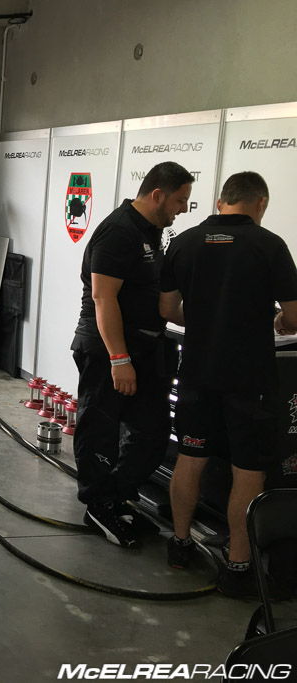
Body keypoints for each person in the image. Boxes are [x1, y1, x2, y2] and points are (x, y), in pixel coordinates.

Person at [160, 171, 297, 597]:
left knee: (190, 456)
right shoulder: (269, 245)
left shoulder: (183, 242)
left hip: (198, 371)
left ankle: (180, 544)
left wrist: (202, 324)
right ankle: (238, 565)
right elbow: (294, 317)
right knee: (248, 472)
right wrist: (275, 320)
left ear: (221, 201)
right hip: (250, 379)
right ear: (260, 203)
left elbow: (166, 307)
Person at [71, 161, 193, 548]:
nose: (183, 208)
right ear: (157, 194)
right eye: (179, 200)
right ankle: (98, 505)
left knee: (153, 434)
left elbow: (162, 302)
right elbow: (103, 297)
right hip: (108, 349)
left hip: (147, 347)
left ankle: (116, 496)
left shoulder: (153, 233)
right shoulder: (118, 231)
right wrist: (119, 359)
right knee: (101, 430)